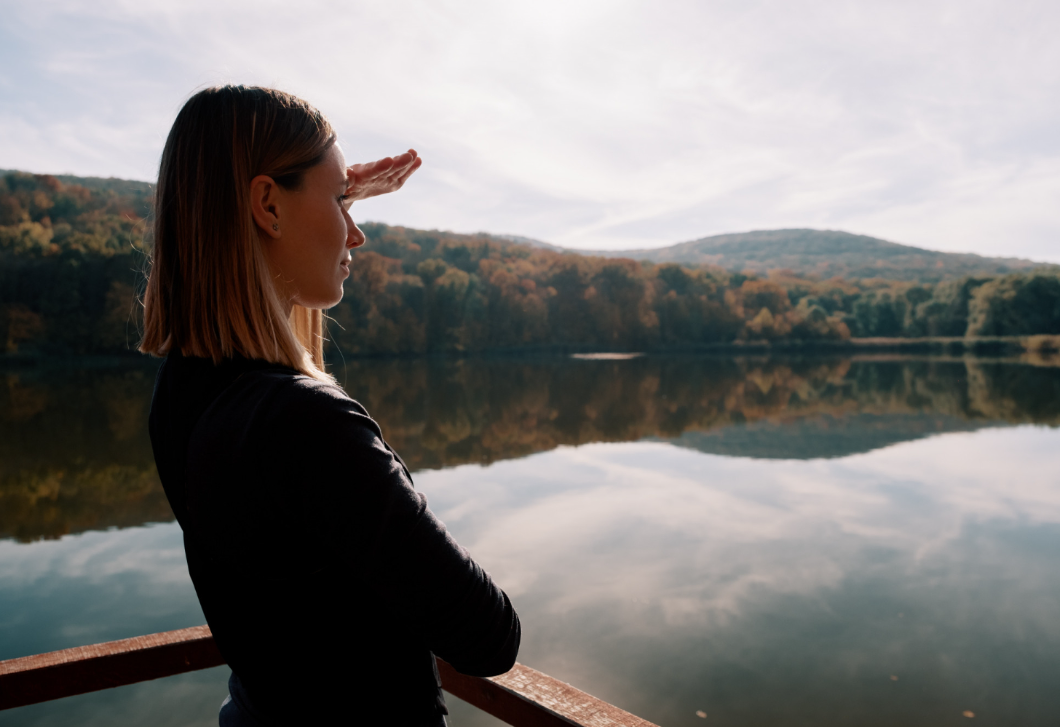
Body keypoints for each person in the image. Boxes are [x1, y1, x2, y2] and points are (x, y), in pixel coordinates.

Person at [141, 85, 520, 727]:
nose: (358, 233)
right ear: (266, 204)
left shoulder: (182, 394)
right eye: (342, 202)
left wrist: (328, 193)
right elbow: (487, 639)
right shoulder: (307, 424)